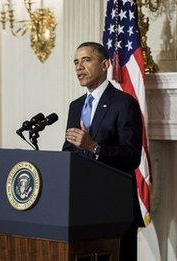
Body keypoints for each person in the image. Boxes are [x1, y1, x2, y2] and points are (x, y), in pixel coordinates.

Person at [62, 42, 144, 261]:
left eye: (86, 60)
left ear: (105, 64)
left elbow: (132, 156)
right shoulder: (75, 106)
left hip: (114, 209)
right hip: (81, 208)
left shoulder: (124, 104)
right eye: (76, 62)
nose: (79, 67)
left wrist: (94, 147)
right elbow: (69, 151)